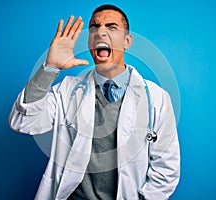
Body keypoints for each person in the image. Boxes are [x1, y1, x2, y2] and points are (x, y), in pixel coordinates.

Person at [9, 4, 180, 200]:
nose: (100, 33)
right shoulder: (68, 90)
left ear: (127, 41)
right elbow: (22, 122)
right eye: (94, 28)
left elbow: (166, 169)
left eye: (111, 27)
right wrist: (50, 68)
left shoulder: (156, 98)